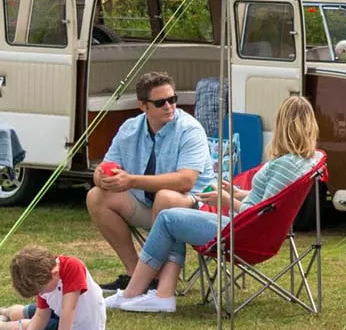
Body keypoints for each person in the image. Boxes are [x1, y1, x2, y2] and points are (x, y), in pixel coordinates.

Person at [107, 96, 320, 313]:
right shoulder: (305, 161)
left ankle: (134, 293)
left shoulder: (284, 164)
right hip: (256, 231)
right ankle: (163, 293)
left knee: (168, 217)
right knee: (172, 217)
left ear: (282, 125)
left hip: (244, 233)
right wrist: (237, 192)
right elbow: (270, 201)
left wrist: (227, 202)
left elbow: (261, 213)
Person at [87, 71, 216, 291]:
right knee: (96, 196)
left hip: (192, 207)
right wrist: (101, 177)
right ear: (143, 106)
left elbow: (186, 181)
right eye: (160, 102)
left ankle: (156, 279)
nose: (169, 106)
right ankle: (136, 274)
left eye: (173, 99)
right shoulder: (129, 128)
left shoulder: (190, 129)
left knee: (166, 198)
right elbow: (105, 167)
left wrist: (133, 181)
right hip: (148, 205)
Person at [3, 246, 106, 330]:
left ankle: (2, 325)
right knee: (20, 313)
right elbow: (41, 315)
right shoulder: (44, 277)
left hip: (78, 329)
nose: (41, 294)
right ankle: (4, 311)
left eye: (41, 290)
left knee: (21, 326)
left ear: (55, 274)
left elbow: (69, 310)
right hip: (59, 311)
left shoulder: (72, 267)